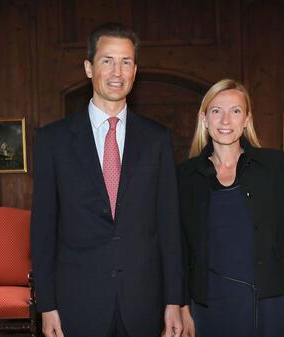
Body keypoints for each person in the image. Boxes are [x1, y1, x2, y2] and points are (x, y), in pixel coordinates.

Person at [30, 23, 183, 337]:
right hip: (77, 306)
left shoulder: (157, 139)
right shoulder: (53, 140)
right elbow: (43, 229)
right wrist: (46, 305)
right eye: (107, 60)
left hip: (144, 304)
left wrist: (175, 301)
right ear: (89, 68)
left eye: (126, 61)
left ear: (135, 70)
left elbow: (169, 226)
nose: (117, 71)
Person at [178, 79, 284, 337]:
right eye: (217, 111)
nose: (226, 120)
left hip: (269, 302)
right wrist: (182, 306)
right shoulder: (185, 175)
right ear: (205, 119)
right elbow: (181, 249)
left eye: (236, 111)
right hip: (209, 304)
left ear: (247, 119)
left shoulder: (273, 166)